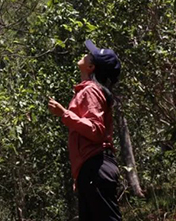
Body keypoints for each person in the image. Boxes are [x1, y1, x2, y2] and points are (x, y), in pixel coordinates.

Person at [48, 40, 122, 221]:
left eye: (89, 54)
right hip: (92, 168)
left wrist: (64, 114)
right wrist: (80, 174)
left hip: (96, 167)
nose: (85, 54)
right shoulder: (92, 91)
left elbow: (96, 130)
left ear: (91, 67)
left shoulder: (91, 91)